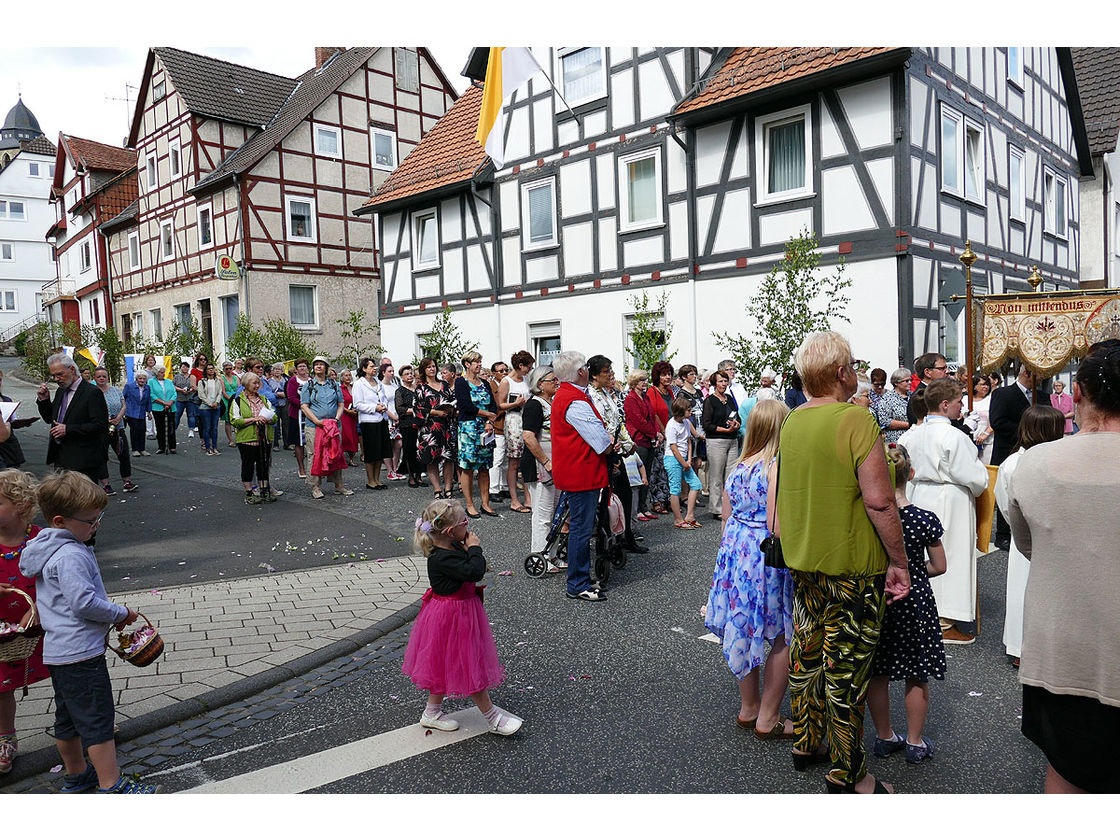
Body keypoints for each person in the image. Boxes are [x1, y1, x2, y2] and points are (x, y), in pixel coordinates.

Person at [775, 331, 910, 794]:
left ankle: (808, 741)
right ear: (840, 372)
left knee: (807, 655)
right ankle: (850, 773)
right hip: (852, 565)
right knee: (847, 668)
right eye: (852, 363)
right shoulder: (855, 420)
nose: (854, 369)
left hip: (805, 559)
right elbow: (879, 503)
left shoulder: (792, 421)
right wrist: (901, 562)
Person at [1007, 339, 1120, 794]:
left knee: (1066, 771)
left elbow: (1027, 543)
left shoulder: (1034, 463)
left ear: (1077, 393)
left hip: (1061, 649)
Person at [18, 471, 160, 793]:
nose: (96, 526)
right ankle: (112, 785)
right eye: (91, 521)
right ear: (60, 520)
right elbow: (84, 604)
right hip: (81, 653)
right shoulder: (69, 555)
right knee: (98, 721)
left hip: (58, 653)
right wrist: (120, 613)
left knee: (67, 720)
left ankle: (77, 775)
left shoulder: (45, 547)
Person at [704, 399, 794, 739]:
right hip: (765, 556)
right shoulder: (776, 467)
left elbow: (726, 517)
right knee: (784, 635)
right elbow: (777, 524)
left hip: (737, 554)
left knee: (743, 628)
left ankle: (749, 707)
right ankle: (768, 717)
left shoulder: (739, 467)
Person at [401, 498, 522, 736]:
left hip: (457, 613)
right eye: (464, 521)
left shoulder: (451, 547)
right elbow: (474, 571)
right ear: (450, 531)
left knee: (444, 662)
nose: (468, 526)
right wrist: (475, 548)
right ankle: (493, 719)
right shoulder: (442, 557)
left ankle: (431, 712)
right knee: (469, 664)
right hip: (452, 617)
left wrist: (468, 550)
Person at [866, 443, 948, 765]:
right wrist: (915, 573)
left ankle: (885, 736)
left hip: (882, 598)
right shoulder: (924, 520)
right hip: (916, 601)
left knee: (878, 671)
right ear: (910, 474)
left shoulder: (872, 520)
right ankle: (915, 742)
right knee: (918, 671)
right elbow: (940, 565)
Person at [898, 379, 989, 645]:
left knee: (918, 555)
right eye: (960, 401)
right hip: (949, 498)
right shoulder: (954, 436)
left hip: (916, 495)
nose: (962, 406)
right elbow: (973, 477)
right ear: (945, 404)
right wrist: (983, 478)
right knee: (950, 555)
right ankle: (944, 619)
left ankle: (921, 612)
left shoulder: (910, 434)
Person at [995, 405, 1064, 666]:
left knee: (1022, 591)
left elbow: (1003, 505)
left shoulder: (1011, 462)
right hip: (1043, 536)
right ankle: (1027, 647)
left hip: (1022, 534)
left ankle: (1020, 647)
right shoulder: (1039, 463)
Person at [551, 350, 612, 602]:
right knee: (581, 528)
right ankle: (578, 582)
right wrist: (611, 444)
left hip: (577, 470)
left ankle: (580, 578)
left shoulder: (566, 395)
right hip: (581, 471)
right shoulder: (573, 400)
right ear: (580, 372)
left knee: (581, 527)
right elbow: (601, 441)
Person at [0, 469, 48, 775]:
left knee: (65, 672)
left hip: (42, 625)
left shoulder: (42, 539)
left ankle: (85, 719)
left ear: (20, 506)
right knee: (1, 686)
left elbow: (58, 580)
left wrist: (42, 607)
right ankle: (5, 737)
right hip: (5, 633)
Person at [587, 356, 646, 555]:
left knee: (626, 495)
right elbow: (599, 424)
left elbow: (617, 422)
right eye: (606, 372)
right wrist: (613, 445)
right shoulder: (590, 395)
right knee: (606, 500)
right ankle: (606, 541)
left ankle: (626, 535)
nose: (611, 375)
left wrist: (628, 443)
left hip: (617, 450)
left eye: (611, 371)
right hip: (604, 451)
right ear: (594, 375)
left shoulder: (607, 394)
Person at [35, 353, 110, 485]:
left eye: (59, 374)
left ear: (72, 370)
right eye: (53, 376)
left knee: (84, 502)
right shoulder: (61, 391)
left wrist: (68, 429)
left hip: (83, 461)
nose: (56, 379)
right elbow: (50, 419)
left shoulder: (91, 392)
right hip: (61, 458)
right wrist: (44, 400)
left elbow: (101, 426)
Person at [989, 364, 1035, 550]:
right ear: (1026, 373)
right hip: (1009, 448)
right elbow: (998, 421)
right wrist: (1026, 432)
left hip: (1034, 451)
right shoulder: (1003, 394)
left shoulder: (1042, 395)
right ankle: (1003, 533)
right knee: (1006, 491)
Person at [521, 365, 561, 571]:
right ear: (540, 384)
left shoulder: (551, 403)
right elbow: (528, 436)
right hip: (541, 465)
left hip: (556, 464)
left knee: (556, 513)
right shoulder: (534, 405)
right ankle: (540, 555)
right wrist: (546, 461)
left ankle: (552, 555)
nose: (557, 382)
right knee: (543, 513)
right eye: (552, 380)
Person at [300, 356, 352, 499]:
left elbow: (341, 403)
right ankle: (315, 487)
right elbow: (304, 406)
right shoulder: (309, 385)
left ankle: (338, 485)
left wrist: (336, 419)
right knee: (314, 455)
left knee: (336, 453)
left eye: (321, 364)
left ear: (326, 367)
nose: (318, 367)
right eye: (316, 364)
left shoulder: (334, 385)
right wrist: (316, 420)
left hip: (334, 425)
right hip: (314, 426)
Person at [455, 351, 498, 518]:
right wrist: (487, 415)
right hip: (469, 428)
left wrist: (490, 421)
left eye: (480, 362)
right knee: (468, 467)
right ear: (467, 364)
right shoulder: (461, 383)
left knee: (484, 467)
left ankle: (485, 503)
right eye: (476, 362)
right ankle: (470, 504)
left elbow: (493, 406)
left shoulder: (485, 384)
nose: (479, 365)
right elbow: (466, 406)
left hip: (485, 428)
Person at [230, 372, 279, 504]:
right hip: (247, 439)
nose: (257, 385)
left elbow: (274, 416)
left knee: (263, 465)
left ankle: (264, 491)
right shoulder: (238, 400)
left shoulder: (263, 399)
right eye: (254, 383)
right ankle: (249, 492)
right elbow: (235, 420)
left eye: (258, 383)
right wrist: (253, 419)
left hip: (264, 438)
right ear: (246, 384)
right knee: (248, 465)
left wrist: (267, 419)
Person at [414, 357, 457, 499]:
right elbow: (418, 409)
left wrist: (450, 409)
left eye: (433, 366)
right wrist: (435, 412)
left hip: (446, 426)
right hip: (429, 428)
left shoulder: (444, 384)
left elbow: (453, 401)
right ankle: (437, 489)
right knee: (431, 459)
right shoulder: (421, 388)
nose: (432, 369)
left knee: (448, 457)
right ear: (424, 370)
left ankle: (449, 487)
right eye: (428, 367)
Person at [497, 352, 534, 512]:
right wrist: (517, 403)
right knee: (514, 461)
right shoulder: (506, 381)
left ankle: (528, 497)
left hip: (526, 418)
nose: (530, 370)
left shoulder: (526, 379)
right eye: (528, 367)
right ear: (520, 366)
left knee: (527, 460)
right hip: (513, 420)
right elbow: (500, 404)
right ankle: (514, 499)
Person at [702, 370, 741, 520]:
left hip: (732, 439)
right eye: (720, 381)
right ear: (714, 384)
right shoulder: (710, 401)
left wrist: (736, 424)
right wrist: (724, 429)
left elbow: (737, 416)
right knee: (716, 476)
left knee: (730, 476)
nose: (723, 384)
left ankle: (729, 505)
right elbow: (707, 425)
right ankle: (717, 508)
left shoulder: (730, 398)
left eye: (725, 381)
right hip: (716, 440)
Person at [94, 367, 137, 495]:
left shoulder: (115, 390)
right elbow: (92, 410)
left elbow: (123, 405)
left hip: (118, 427)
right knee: (102, 456)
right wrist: (105, 419)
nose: (102, 378)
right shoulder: (92, 392)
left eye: (104, 376)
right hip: (101, 429)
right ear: (94, 378)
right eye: (99, 376)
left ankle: (127, 482)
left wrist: (118, 418)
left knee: (123, 454)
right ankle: (106, 485)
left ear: (107, 377)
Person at [623, 370, 659, 522]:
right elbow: (638, 421)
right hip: (639, 439)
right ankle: (636, 509)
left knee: (647, 474)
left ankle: (644, 506)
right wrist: (654, 433)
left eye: (645, 380)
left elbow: (652, 416)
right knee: (639, 476)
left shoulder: (645, 397)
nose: (645, 382)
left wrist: (657, 432)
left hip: (648, 439)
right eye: (641, 380)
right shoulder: (631, 399)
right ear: (634, 382)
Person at [353, 358, 393, 490]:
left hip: (381, 419)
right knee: (371, 453)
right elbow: (358, 404)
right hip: (369, 421)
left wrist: (383, 406)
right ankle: (370, 480)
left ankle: (377, 480)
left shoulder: (378, 383)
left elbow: (384, 398)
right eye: (371, 366)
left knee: (380, 452)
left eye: (375, 366)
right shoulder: (359, 384)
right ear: (364, 369)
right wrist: (374, 407)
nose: (374, 368)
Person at [664, 396, 703, 529]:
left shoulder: (686, 422)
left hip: (684, 459)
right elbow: (673, 448)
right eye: (688, 410)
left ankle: (690, 516)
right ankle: (678, 519)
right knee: (675, 488)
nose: (690, 412)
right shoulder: (671, 425)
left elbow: (688, 441)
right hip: (673, 459)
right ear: (681, 411)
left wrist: (689, 459)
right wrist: (683, 462)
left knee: (696, 484)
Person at [647, 361, 675, 513]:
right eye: (664, 375)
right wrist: (664, 432)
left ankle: (668, 499)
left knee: (669, 468)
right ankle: (657, 501)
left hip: (671, 435)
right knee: (657, 470)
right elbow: (654, 414)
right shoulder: (653, 392)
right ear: (657, 377)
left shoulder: (669, 392)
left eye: (669, 374)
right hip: (660, 436)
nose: (668, 377)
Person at [0, 369, 37, 469]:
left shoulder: (6, 400)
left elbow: (12, 420)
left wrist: (22, 423)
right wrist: (7, 425)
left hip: (9, 447)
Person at [394, 365, 423, 487]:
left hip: (420, 422)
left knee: (420, 450)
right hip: (407, 424)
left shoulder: (418, 389)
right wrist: (415, 410)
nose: (410, 376)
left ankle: (419, 475)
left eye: (411, 373)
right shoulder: (400, 391)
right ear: (402, 377)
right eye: (407, 374)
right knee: (409, 450)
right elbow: (400, 409)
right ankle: (411, 477)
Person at [487, 360, 511, 501]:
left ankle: (504, 486)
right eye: (501, 371)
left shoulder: (508, 384)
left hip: (508, 425)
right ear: (494, 373)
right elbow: (496, 406)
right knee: (497, 458)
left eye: (506, 370)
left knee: (506, 460)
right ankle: (493, 489)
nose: (504, 373)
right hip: (497, 425)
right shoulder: (491, 386)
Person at [906, 352, 949, 427]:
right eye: (942, 369)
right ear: (927, 372)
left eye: (946, 368)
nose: (947, 371)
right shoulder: (921, 396)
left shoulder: (937, 391)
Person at [286, 359, 311, 479]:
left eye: (304, 366)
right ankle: (301, 467)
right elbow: (291, 397)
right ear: (296, 369)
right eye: (300, 366)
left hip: (312, 413)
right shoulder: (292, 381)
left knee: (312, 440)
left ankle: (313, 467)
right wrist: (304, 404)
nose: (302, 368)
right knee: (299, 442)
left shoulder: (312, 380)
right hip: (297, 414)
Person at [378, 362, 404, 480]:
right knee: (388, 445)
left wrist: (398, 417)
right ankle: (389, 470)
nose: (392, 373)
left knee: (398, 444)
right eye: (390, 371)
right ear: (383, 373)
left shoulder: (395, 386)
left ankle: (395, 468)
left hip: (397, 418)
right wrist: (392, 417)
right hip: (387, 418)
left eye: (393, 371)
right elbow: (382, 404)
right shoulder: (380, 386)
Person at [874, 368, 912, 445]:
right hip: (896, 440)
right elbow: (885, 420)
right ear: (896, 383)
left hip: (912, 438)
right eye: (906, 381)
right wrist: (909, 425)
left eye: (910, 380)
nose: (910, 383)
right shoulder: (887, 398)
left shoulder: (912, 395)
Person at [963, 374, 994, 463]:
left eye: (987, 384)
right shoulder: (965, 400)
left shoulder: (991, 400)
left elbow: (995, 420)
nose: (986, 387)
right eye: (982, 384)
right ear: (975, 386)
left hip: (987, 442)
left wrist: (985, 434)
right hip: (968, 441)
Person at [147, 365, 177, 454]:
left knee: (171, 426)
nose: (163, 374)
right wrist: (163, 403)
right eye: (161, 372)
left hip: (171, 407)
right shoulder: (151, 382)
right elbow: (152, 394)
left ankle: (172, 446)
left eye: (164, 372)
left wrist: (170, 402)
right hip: (158, 407)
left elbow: (174, 393)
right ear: (156, 373)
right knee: (160, 427)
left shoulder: (169, 382)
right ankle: (161, 447)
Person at [196, 363, 223, 456]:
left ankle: (215, 447)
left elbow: (220, 392)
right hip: (205, 407)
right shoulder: (202, 381)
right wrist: (210, 403)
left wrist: (217, 402)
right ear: (206, 371)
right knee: (206, 427)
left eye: (212, 368)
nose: (211, 370)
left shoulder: (218, 381)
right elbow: (201, 395)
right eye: (209, 369)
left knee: (214, 428)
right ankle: (208, 448)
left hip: (216, 406)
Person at [123, 369, 151, 457]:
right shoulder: (129, 386)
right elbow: (122, 398)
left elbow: (148, 400)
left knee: (142, 430)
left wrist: (149, 412)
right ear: (136, 379)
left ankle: (142, 449)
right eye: (140, 378)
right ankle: (135, 449)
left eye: (144, 379)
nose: (142, 380)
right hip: (131, 412)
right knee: (134, 430)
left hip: (141, 412)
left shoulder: (147, 388)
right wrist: (123, 410)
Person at [338, 368, 360, 467]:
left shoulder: (354, 387)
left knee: (354, 437)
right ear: (341, 378)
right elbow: (339, 403)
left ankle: (351, 458)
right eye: (346, 375)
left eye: (349, 375)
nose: (348, 377)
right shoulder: (340, 389)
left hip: (354, 415)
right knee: (345, 437)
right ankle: (341, 458)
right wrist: (348, 411)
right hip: (344, 415)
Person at [264, 364, 289, 451]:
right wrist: (277, 394)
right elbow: (267, 393)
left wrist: (285, 394)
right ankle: (275, 444)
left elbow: (289, 391)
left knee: (286, 424)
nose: (277, 371)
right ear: (272, 371)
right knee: (275, 424)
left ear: (282, 371)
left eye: (279, 369)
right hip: (274, 405)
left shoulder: (286, 380)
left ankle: (287, 443)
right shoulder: (269, 381)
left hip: (285, 404)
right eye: (275, 369)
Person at [172, 361, 196, 440]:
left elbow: (195, 386)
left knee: (191, 415)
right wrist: (181, 390)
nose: (185, 368)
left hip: (190, 398)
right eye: (183, 367)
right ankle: (173, 430)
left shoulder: (192, 376)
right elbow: (173, 386)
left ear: (189, 368)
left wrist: (190, 390)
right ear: (180, 368)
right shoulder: (177, 377)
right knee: (177, 415)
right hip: (179, 398)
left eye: (186, 367)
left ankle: (191, 430)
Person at [220, 361, 240, 448]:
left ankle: (239, 438)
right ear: (224, 369)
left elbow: (239, 389)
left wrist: (237, 399)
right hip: (227, 399)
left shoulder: (236, 378)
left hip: (236, 398)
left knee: (238, 419)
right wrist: (230, 399)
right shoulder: (222, 378)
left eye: (230, 368)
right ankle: (230, 440)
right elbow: (223, 391)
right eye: (226, 369)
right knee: (228, 421)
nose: (228, 370)